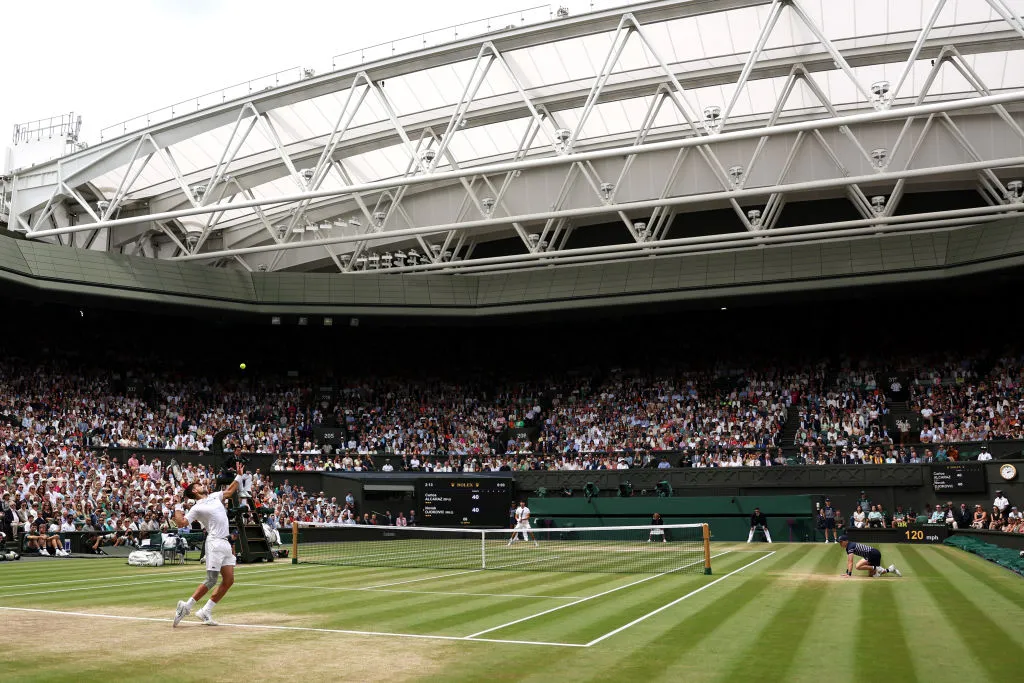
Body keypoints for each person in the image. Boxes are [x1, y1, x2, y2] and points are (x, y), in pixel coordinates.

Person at [172, 462, 246, 627]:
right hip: (214, 543)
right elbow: (182, 523)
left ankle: (205, 610)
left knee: (229, 580)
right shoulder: (196, 508)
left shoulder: (214, 495)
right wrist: (177, 505)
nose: (201, 485)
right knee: (211, 579)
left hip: (225, 543)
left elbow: (230, 491)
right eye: (198, 485)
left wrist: (239, 475)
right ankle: (186, 606)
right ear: (194, 491)